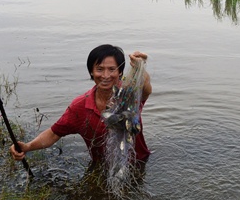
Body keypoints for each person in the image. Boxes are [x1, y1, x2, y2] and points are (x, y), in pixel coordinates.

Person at [10, 44, 152, 164]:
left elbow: (145, 89)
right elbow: (54, 134)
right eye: (100, 69)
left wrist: (140, 68)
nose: (106, 75)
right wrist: (27, 147)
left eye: (112, 69)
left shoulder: (129, 95)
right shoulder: (80, 107)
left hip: (139, 163)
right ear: (91, 72)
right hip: (102, 166)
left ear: (120, 72)